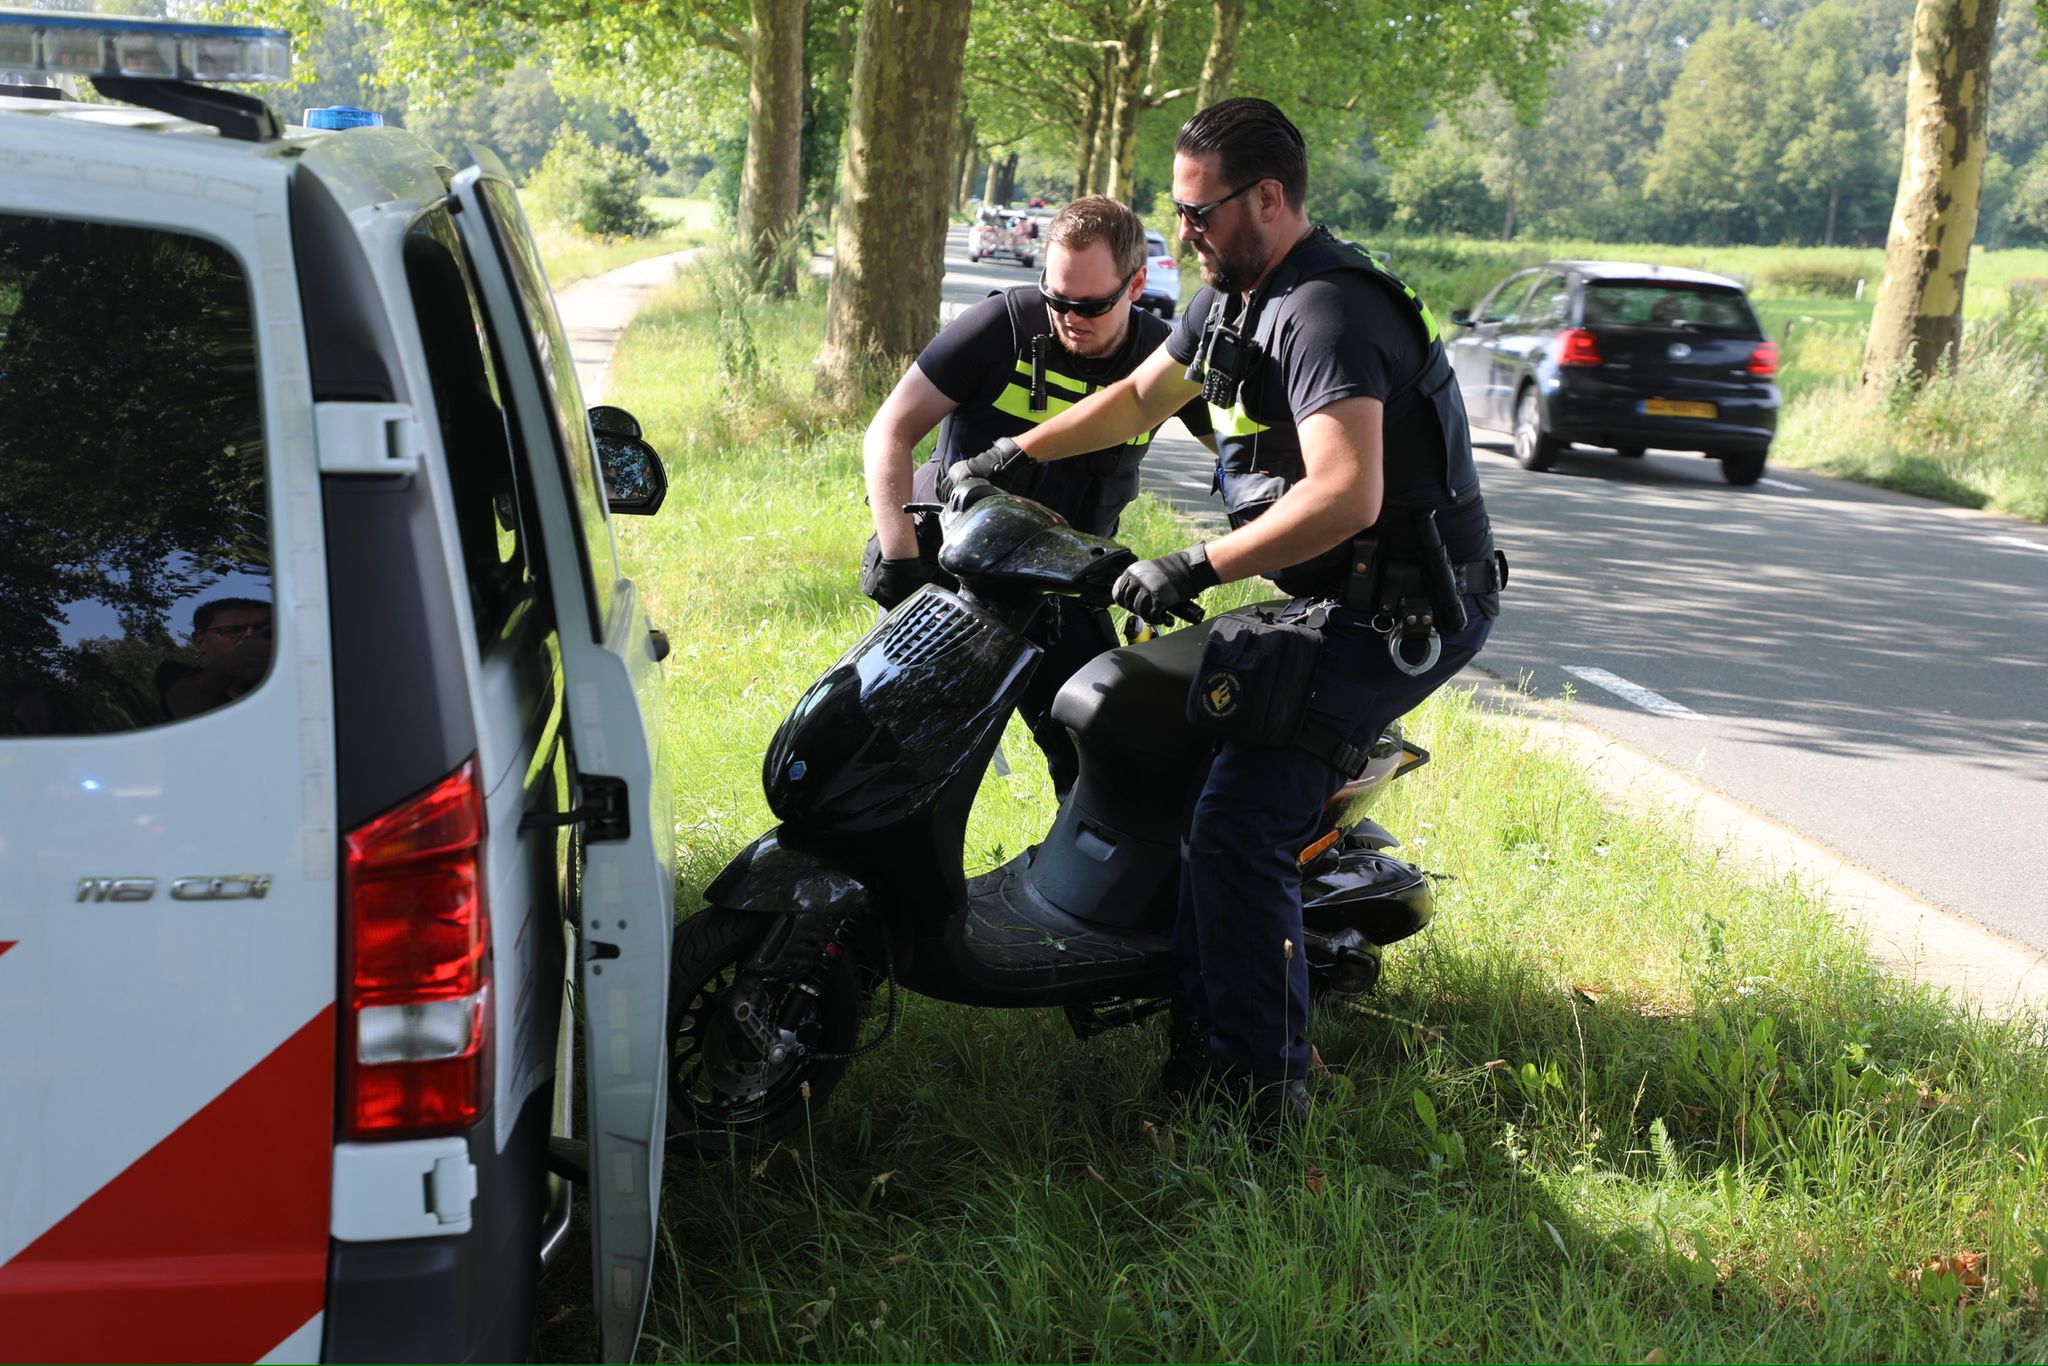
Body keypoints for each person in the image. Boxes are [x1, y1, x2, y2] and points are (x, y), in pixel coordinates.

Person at [947, 99, 1505, 1128]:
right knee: (1159, 743)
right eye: (1176, 211)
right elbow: (1130, 403)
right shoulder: (1227, 298)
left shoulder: (1328, 310)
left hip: (1403, 612)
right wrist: (1013, 453)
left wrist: (1193, 566)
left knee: (1238, 822)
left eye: (1199, 213)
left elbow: (1345, 494)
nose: (1184, 233)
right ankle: (1195, 1009)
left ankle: (1255, 1090)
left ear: (1267, 198)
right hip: (1335, 593)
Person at [860, 195, 1215, 795]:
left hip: (1065, 589)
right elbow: (890, 430)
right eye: (1057, 298)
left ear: (1134, 285)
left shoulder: (1166, 361)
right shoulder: (1001, 327)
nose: (1069, 317)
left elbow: (1245, 457)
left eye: (1091, 305)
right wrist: (900, 558)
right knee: (899, 755)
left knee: (1102, 754)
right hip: (954, 577)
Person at [157, 596, 272, 719]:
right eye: (232, 631)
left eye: (264, 631)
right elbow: (187, 706)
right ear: (200, 641)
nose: (251, 636)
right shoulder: (173, 672)